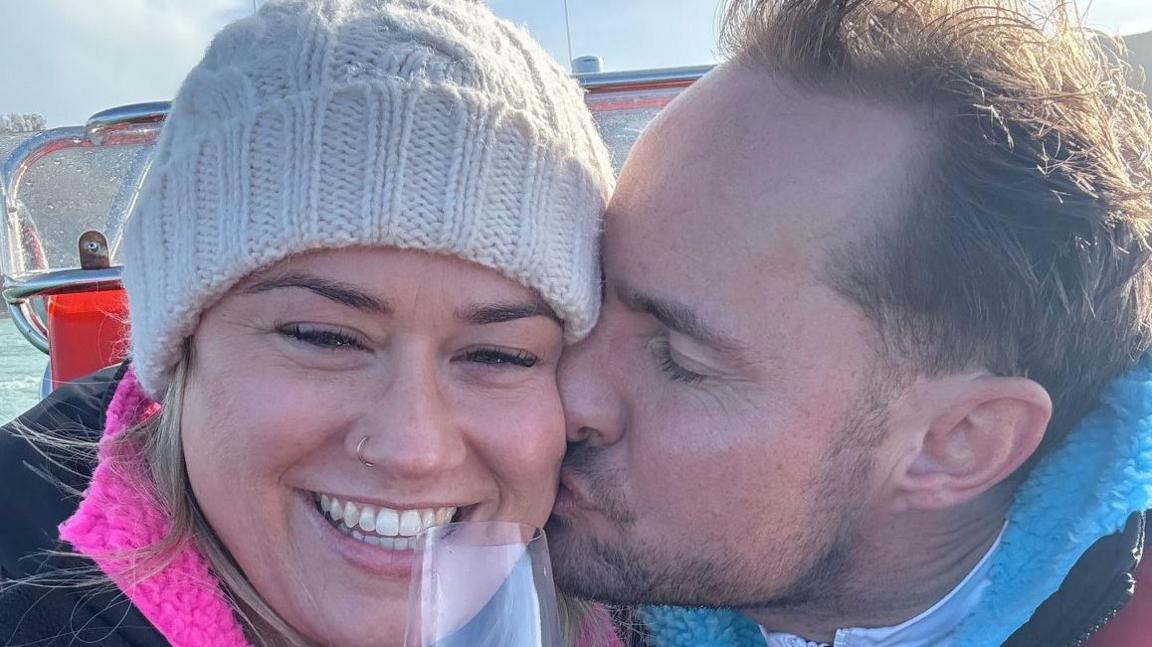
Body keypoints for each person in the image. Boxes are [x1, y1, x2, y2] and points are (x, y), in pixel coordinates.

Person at [0, 1, 619, 645]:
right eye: (321, 337)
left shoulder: (667, 591)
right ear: (181, 357)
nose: (413, 449)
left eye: (501, 355)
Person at [546, 0, 1152, 645]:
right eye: (587, 298)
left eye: (678, 359)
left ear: (959, 440)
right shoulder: (503, 586)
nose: (564, 392)